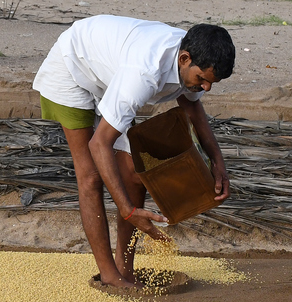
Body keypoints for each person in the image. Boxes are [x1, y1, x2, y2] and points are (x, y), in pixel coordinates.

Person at [33, 15, 236, 288]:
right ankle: (109, 274)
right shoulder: (144, 73)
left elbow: (193, 107)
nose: (206, 87)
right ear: (184, 58)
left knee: (133, 170)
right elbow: (99, 144)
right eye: (202, 79)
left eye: (212, 83)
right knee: (91, 177)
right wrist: (128, 211)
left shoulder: (191, 59)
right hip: (72, 68)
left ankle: (124, 268)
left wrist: (218, 161)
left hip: (110, 74)